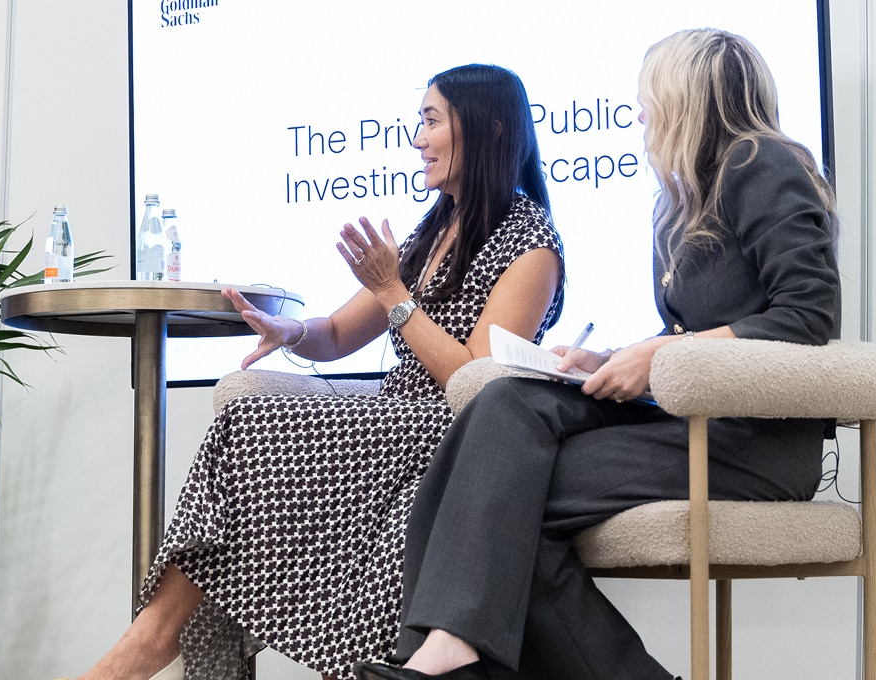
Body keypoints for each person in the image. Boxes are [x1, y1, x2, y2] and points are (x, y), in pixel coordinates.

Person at [354, 29, 841, 680]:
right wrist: (615, 357)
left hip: (751, 442)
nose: (638, 113)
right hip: (692, 420)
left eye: (647, 96)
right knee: (506, 407)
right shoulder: (682, 201)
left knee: (495, 494)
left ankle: (445, 657)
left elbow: (808, 316)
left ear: (685, 96)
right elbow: (703, 328)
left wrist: (662, 357)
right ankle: (446, 654)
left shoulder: (760, 161)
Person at [71, 64, 565, 680]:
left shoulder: (531, 245)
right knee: (247, 421)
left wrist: (393, 292)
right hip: (393, 423)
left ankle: (147, 644)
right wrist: (289, 334)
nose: (417, 139)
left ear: (490, 129)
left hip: (455, 436)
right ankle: (151, 637)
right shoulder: (437, 226)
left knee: (253, 425)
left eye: (431, 121)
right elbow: (335, 334)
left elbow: (474, 381)